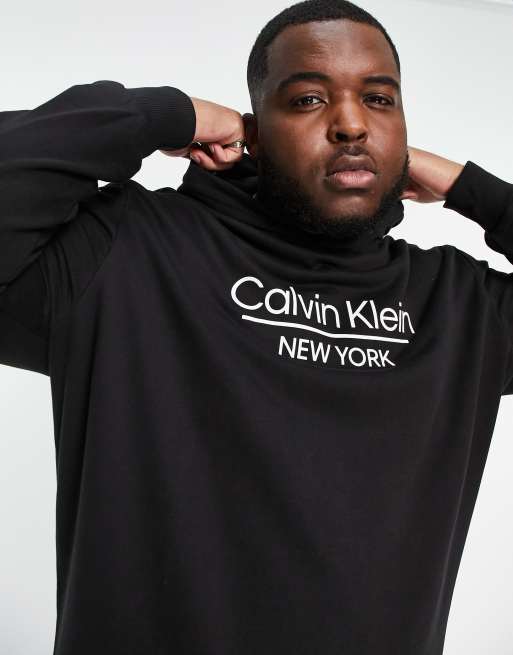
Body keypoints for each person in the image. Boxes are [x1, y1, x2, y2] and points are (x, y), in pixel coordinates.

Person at [1, 0, 512, 653]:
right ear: (254, 131)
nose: (351, 123)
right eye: (307, 100)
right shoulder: (126, 254)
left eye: (379, 100)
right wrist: (163, 113)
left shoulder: (457, 307)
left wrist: (469, 186)